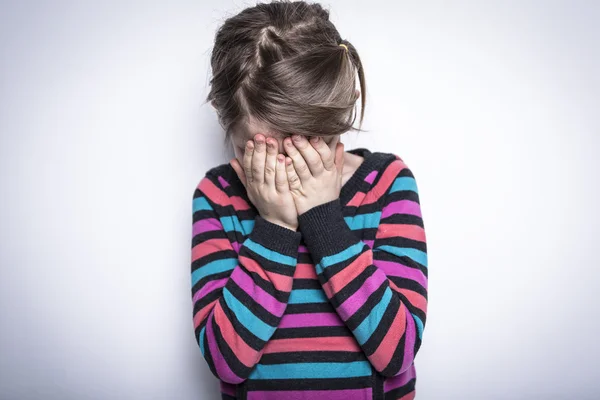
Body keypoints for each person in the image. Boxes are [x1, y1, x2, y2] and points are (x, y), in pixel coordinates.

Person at [190, 1, 428, 399]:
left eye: (307, 149)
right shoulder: (217, 197)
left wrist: (323, 219)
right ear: (227, 124)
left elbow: (398, 351)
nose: (289, 173)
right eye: (264, 155)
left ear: (340, 116)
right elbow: (226, 362)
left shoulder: (387, 183)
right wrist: (274, 227)